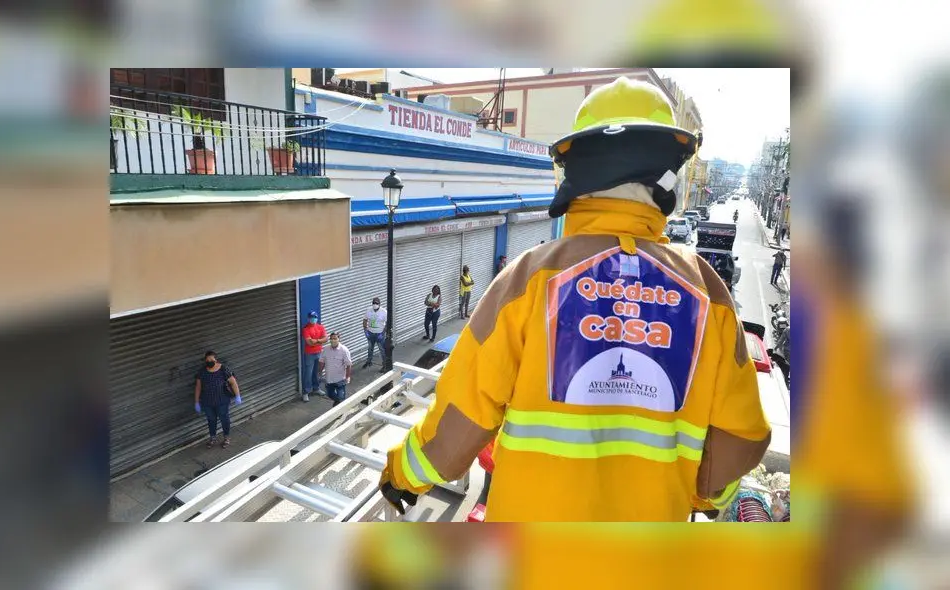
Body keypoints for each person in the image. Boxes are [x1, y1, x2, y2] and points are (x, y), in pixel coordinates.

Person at [379, 77, 770, 521]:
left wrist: (401, 473)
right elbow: (738, 441)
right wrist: (698, 492)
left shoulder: (529, 280)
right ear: (669, 173)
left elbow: (460, 414)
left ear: (575, 172)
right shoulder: (707, 294)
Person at [194, 350, 241, 449]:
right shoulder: (202, 372)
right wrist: (197, 401)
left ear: (216, 360)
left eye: (212, 359)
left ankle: (226, 438)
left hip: (222, 401)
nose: (209, 361)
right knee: (211, 420)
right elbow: (198, 387)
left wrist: (238, 396)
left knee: (224, 419)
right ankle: (213, 438)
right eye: (207, 360)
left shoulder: (223, 369)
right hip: (207, 402)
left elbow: (233, 382)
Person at [319, 332, 352, 407]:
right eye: (331, 339)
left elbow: (349, 365)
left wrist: (348, 377)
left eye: (335, 338)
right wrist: (319, 371)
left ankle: (339, 409)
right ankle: (339, 403)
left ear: (339, 339)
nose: (333, 340)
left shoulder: (344, 350)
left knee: (341, 397)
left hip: (340, 379)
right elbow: (322, 361)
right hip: (329, 379)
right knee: (330, 394)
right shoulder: (326, 349)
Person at [300, 311, 328, 402]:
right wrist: (320, 341)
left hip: (319, 352)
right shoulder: (306, 329)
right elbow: (309, 342)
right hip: (309, 354)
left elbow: (326, 339)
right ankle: (306, 392)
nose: (313, 319)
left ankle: (316, 388)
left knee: (317, 372)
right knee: (308, 373)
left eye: (315, 317)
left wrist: (315, 341)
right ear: (308, 318)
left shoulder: (320, 327)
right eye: (311, 317)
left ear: (317, 318)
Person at [362, 297, 387, 369]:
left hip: (379, 333)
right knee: (370, 348)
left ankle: (384, 364)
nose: (375, 304)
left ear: (379, 304)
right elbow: (365, 320)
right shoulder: (369, 310)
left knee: (382, 349)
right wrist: (365, 330)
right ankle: (369, 361)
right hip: (370, 333)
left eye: (376, 303)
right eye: (374, 303)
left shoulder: (384, 312)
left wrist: (382, 333)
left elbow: (388, 323)